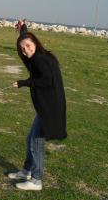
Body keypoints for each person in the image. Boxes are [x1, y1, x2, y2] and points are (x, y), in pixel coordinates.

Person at [9, 32, 67, 191]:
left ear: (35, 43)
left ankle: (36, 180)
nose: (26, 50)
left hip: (50, 109)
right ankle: (27, 171)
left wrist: (23, 83)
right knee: (31, 139)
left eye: (28, 46)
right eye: (22, 49)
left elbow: (46, 80)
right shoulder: (40, 57)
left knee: (36, 143)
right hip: (47, 107)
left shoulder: (40, 59)